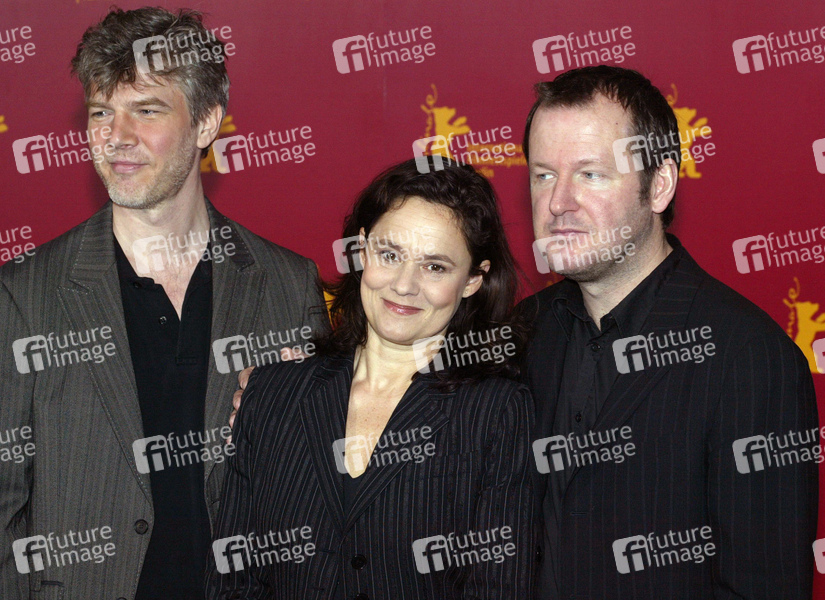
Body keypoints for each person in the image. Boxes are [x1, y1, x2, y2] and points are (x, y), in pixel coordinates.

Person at [0, 8, 328, 600]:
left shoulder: (288, 285)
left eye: (147, 110)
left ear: (206, 122)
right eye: (101, 112)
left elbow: (318, 498)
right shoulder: (20, 296)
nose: (116, 136)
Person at [518, 65, 818, 598]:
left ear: (659, 186)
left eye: (591, 174)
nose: (559, 202)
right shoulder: (520, 332)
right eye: (543, 175)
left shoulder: (750, 357)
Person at [206, 158, 538, 599]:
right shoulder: (271, 392)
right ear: (361, 251)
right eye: (390, 255)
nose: (404, 285)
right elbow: (233, 581)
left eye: (435, 267)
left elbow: (497, 588)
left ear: (474, 280)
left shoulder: (496, 413)